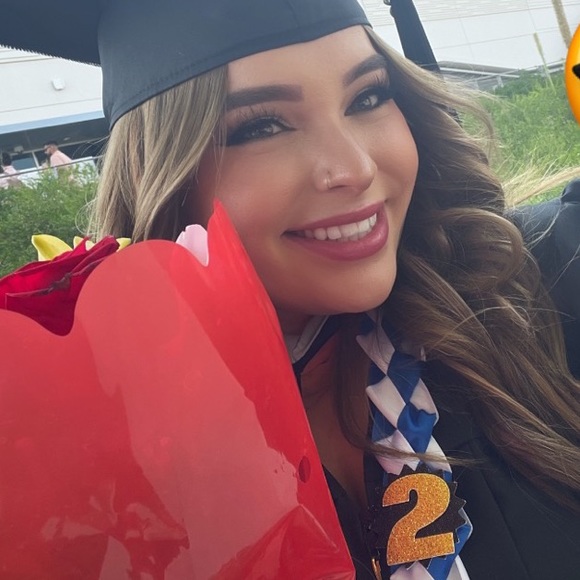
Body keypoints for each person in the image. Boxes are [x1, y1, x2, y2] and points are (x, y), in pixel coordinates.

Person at [1, 1, 579, 579]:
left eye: (368, 97)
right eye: (262, 127)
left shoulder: (545, 283)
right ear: (168, 176)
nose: (354, 167)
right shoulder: (119, 472)